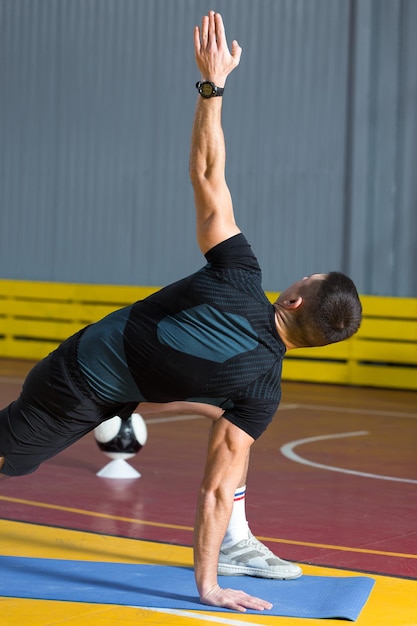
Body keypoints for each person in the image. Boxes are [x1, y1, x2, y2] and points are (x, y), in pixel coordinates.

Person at [0, 11, 362, 612]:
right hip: (91, 380)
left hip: (85, 380)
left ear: (294, 300)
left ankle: (237, 545)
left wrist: (211, 85)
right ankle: (232, 549)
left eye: (304, 278)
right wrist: (208, 588)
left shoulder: (239, 274)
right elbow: (217, 488)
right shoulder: (261, 395)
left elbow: (206, 173)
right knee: (13, 459)